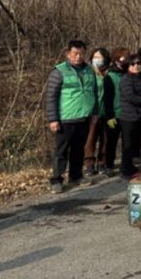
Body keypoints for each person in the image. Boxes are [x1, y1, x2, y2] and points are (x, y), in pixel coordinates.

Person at [46, 40, 98, 194]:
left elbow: (93, 93)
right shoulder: (59, 71)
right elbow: (51, 97)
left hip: (84, 117)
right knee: (61, 151)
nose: (78, 56)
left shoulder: (89, 71)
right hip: (65, 118)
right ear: (68, 54)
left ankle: (76, 176)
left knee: (78, 149)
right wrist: (53, 119)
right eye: (75, 53)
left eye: (81, 53)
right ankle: (57, 179)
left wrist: (94, 112)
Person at [119, 54, 141, 178]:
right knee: (128, 145)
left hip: (139, 116)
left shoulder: (140, 78)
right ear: (128, 66)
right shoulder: (126, 79)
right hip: (128, 117)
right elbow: (130, 96)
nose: (136, 66)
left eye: (138, 63)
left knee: (135, 144)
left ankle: (131, 166)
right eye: (133, 64)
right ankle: (125, 169)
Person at [83, 48, 111, 176]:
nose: (97, 60)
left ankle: (102, 163)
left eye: (100, 57)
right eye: (95, 57)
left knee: (105, 139)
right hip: (92, 111)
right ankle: (89, 164)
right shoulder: (88, 73)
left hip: (105, 111)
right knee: (91, 139)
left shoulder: (108, 73)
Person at [103, 48, 128, 177]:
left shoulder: (128, 74)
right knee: (111, 142)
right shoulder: (109, 77)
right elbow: (107, 99)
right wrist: (109, 116)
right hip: (114, 115)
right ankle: (109, 165)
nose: (123, 62)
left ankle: (126, 164)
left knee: (127, 142)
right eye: (121, 59)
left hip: (127, 115)